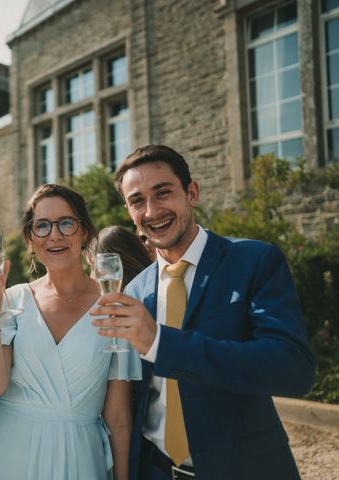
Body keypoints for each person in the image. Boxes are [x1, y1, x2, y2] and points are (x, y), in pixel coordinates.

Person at [91, 145, 315, 479]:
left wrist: (161, 344)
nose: (152, 211)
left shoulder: (254, 261)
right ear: (128, 210)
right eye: (137, 200)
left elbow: (293, 369)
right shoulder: (135, 291)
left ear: (191, 192)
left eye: (163, 193)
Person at [0, 184, 142, 480]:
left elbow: (119, 416)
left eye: (66, 223)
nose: (55, 235)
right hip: (5, 456)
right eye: (42, 226)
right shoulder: (12, 299)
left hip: (80, 458)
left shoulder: (114, 304)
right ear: (30, 239)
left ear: (84, 232)